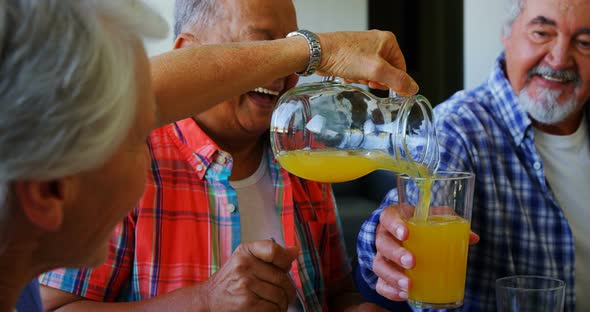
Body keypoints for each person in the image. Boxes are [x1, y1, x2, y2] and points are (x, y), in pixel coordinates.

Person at [0, 0, 421, 311]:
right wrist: (204, 300)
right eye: (260, 51)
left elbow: (333, 293)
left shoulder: (302, 157)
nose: (282, 72)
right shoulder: (121, 157)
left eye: (288, 48)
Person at [355, 0, 590, 310]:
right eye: (541, 33)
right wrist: (385, 242)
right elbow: (404, 212)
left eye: (585, 42)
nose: (559, 59)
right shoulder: (458, 128)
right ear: (507, 36)